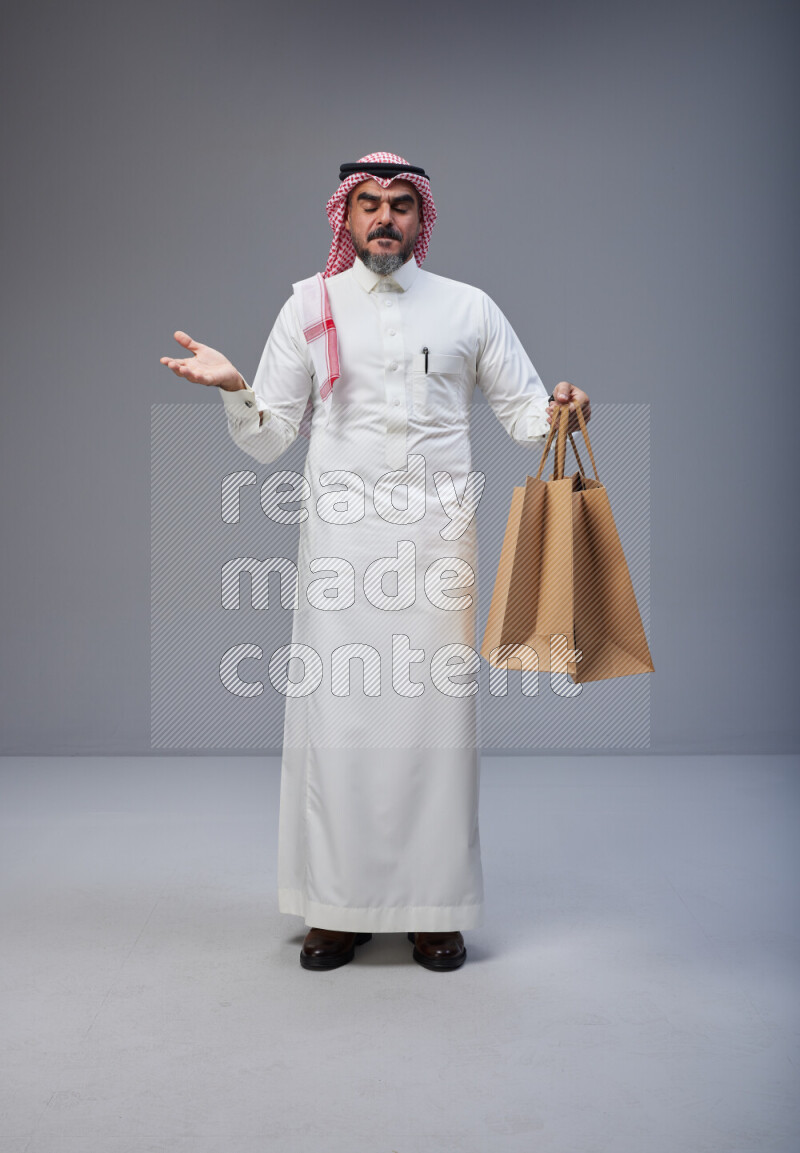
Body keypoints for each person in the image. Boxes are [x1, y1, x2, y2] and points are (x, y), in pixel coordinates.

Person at [160, 152, 591, 973]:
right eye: (368, 204)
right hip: (340, 547)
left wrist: (567, 408)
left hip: (438, 547)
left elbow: (528, 418)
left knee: (434, 727)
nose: (384, 217)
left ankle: (434, 910)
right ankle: (337, 909)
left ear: (421, 218)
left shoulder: (470, 309)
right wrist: (231, 386)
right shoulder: (308, 305)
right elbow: (267, 437)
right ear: (344, 218)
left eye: (399, 203)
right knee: (341, 724)